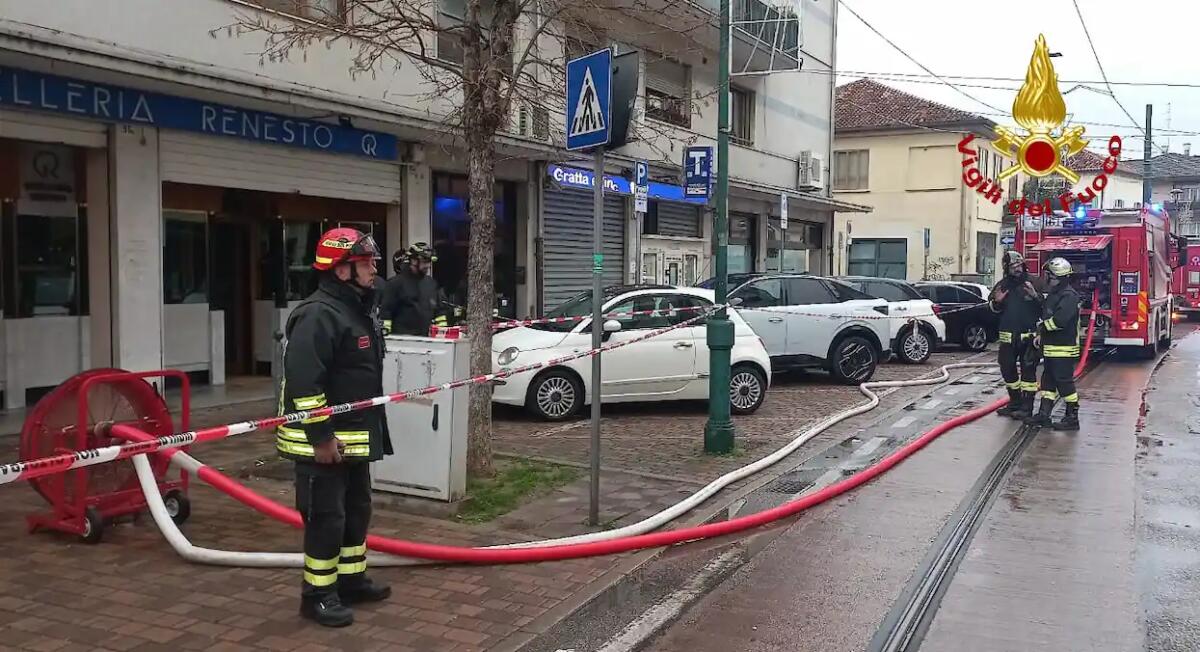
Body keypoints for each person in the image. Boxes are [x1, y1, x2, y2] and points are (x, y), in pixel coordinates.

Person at [278, 227, 392, 627]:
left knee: (355, 512)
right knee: (326, 520)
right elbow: (305, 385)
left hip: (354, 437)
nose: (374, 269)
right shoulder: (318, 315)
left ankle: (350, 582)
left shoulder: (356, 308)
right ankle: (318, 596)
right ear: (341, 270)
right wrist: (321, 437)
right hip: (324, 443)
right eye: (366, 262)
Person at [1027, 256, 1082, 431]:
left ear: (1057, 277)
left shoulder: (1069, 296)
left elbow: (1060, 321)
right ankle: (1044, 414)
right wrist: (1039, 333)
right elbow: (1047, 312)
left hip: (1063, 350)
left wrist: (1041, 328)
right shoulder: (1055, 294)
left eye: (1049, 276)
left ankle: (1072, 417)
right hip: (1051, 349)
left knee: (1064, 383)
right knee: (1047, 383)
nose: (1046, 279)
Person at [989, 250, 1043, 419]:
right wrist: (996, 302)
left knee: (1028, 374)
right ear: (1006, 268)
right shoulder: (1002, 285)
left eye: (1019, 265)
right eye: (1013, 266)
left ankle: (1027, 408)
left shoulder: (1034, 283)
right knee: (1007, 370)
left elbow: (1048, 307)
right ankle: (1015, 402)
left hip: (1028, 339)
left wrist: (1035, 296)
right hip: (1008, 339)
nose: (1017, 269)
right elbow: (991, 312)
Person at [380, 242, 440, 336]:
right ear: (413, 261)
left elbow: (439, 311)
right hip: (403, 343)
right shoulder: (395, 284)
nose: (428, 265)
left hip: (428, 342)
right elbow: (386, 313)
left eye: (429, 262)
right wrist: (388, 338)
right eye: (425, 261)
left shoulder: (431, 284)